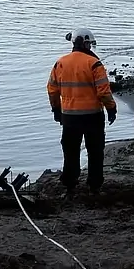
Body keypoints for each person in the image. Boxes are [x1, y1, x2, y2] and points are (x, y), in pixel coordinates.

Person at [47, 28, 117, 195]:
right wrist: (111, 109)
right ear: (85, 43)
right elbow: (104, 92)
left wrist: (56, 109)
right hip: (92, 116)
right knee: (95, 152)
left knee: (70, 151)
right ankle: (94, 187)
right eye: (90, 44)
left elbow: (52, 90)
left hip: (70, 117)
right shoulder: (94, 64)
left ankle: (70, 186)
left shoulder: (61, 63)